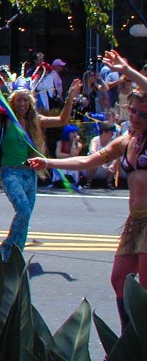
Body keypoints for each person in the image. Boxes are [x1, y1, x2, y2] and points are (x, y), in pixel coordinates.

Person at [28, 49, 147, 332]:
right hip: (135, 221)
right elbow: (87, 161)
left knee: (144, 283)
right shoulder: (126, 141)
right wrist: (49, 162)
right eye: (132, 111)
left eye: (143, 114)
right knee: (119, 279)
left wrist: (126, 71)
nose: (136, 116)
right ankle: (129, 339)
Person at [0, 70, 82, 260]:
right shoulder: (4, 119)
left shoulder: (35, 121)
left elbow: (62, 121)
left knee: (26, 216)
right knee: (22, 210)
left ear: (30, 102)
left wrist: (70, 98)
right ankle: (6, 249)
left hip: (30, 174)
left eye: (25, 100)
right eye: (18, 100)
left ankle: (15, 255)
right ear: (12, 101)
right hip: (10, 173)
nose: (22, 104)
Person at [84, 121, 117, 188]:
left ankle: (109, 182)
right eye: (111, 132)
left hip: (107, 168)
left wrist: (112, 165)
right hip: (92, 168)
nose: (112, 135)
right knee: (94, 160)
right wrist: (103, 163)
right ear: (104, 132)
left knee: (117, 159)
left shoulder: (112, 141)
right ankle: (88, 182)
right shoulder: (95, 140)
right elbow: (93, 152)